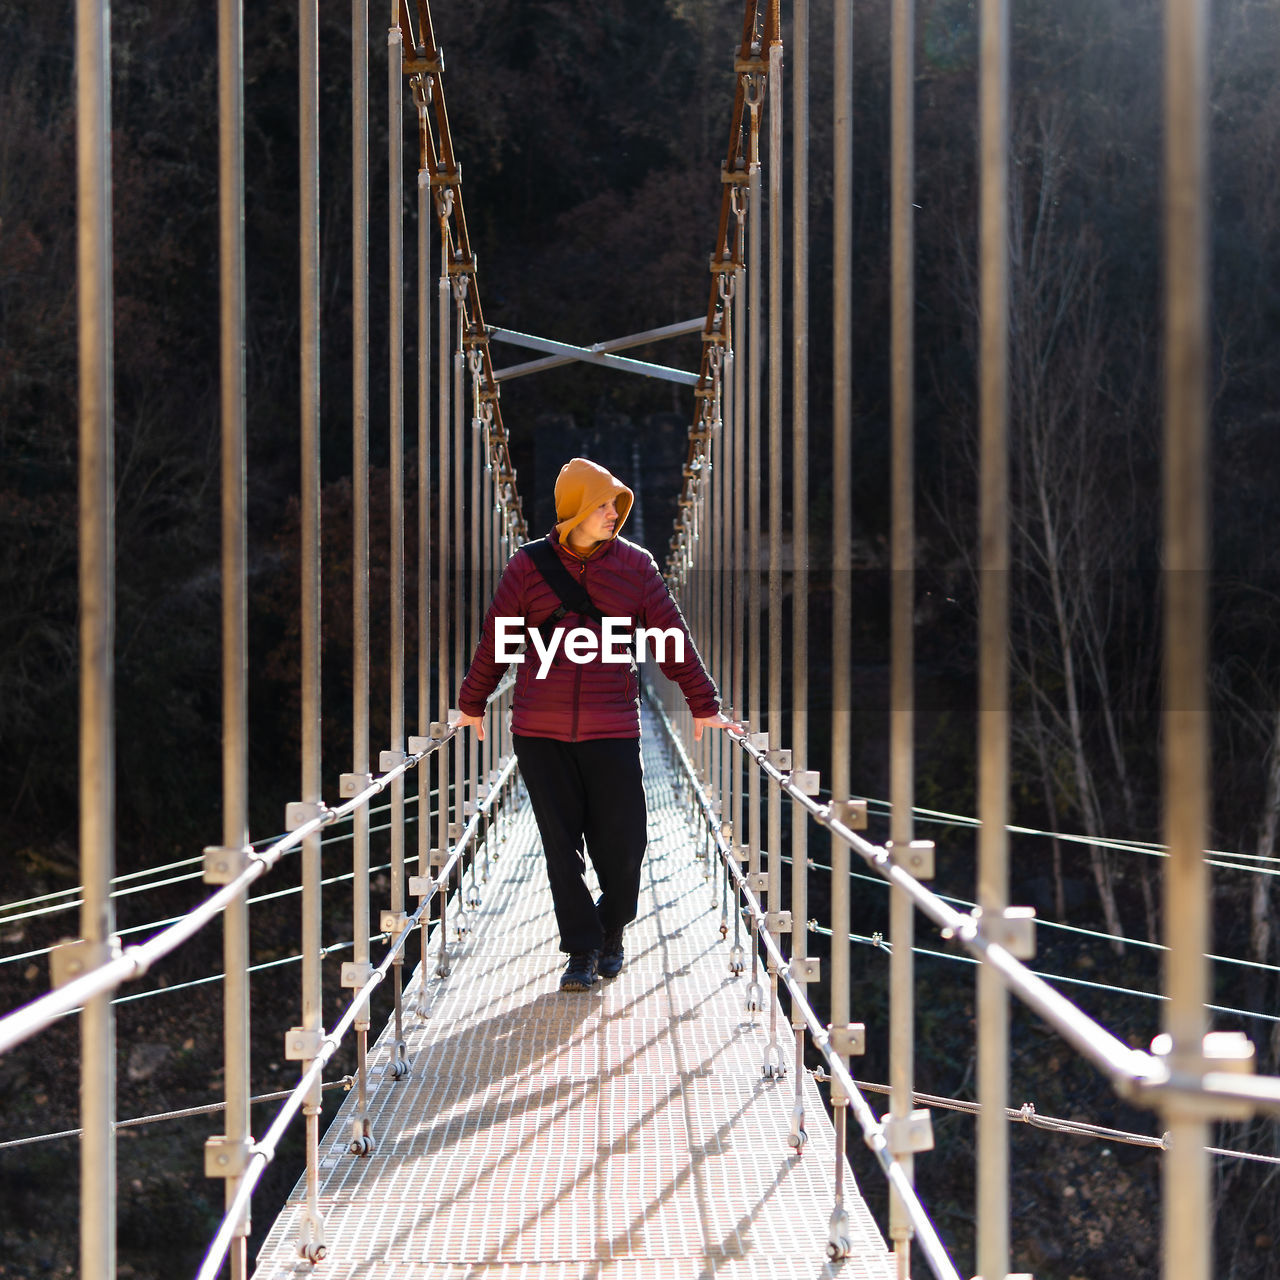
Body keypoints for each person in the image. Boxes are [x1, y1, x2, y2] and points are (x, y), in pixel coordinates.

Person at [453, 457, 737, 991]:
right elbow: (498, 642)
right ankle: (582, 951)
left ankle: (612, 925)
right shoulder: (526, 568)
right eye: (604, 504)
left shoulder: (636, 567)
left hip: (612, 727)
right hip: (540, 731)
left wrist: (704, 705)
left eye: (616, 504)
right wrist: (473, 703)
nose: (615, 514)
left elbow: (671, 637)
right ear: (576, 510)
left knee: (624, 845)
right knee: (562, 847)